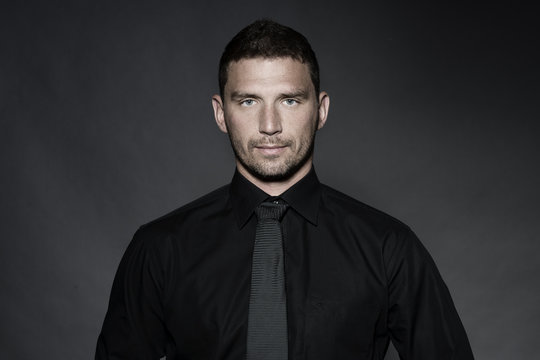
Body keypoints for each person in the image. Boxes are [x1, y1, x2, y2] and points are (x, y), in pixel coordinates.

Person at [96, 19, 474, 360]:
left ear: (321, 110)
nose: (270, 124)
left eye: (290, 100)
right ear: (220, 113)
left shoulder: (388, 247)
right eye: (248, 101)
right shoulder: (160, 249)